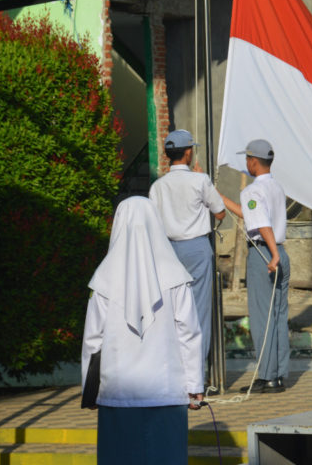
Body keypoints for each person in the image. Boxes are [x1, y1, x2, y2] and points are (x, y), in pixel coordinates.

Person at [81, 196, 204, 465]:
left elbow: (92, 340)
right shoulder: (175, 275)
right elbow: (189, 333)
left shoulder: (103, 280)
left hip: (117, 394)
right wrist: (195, 384)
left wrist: (89, 390)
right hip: (167, 392)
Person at [148, 129, 226, 379]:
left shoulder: (157, 186)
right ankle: (196, 378)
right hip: (196, 246)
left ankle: (173, 373)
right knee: (199, 312)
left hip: (168, 249)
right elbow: (220, 212)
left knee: (171, 313)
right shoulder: (200, 180)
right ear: (189, 151)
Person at [219, 139, 290, 393]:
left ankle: (267, 375)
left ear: (253, 161)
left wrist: (272, 255)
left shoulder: (251, 191)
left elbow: (262, 224)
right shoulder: (276, 187)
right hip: (280, 250)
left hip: (264, 254)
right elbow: (250, 215)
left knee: (262, 317)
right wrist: (221, 199)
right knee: (279, 316)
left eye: (247, 159)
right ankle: (279, 374)